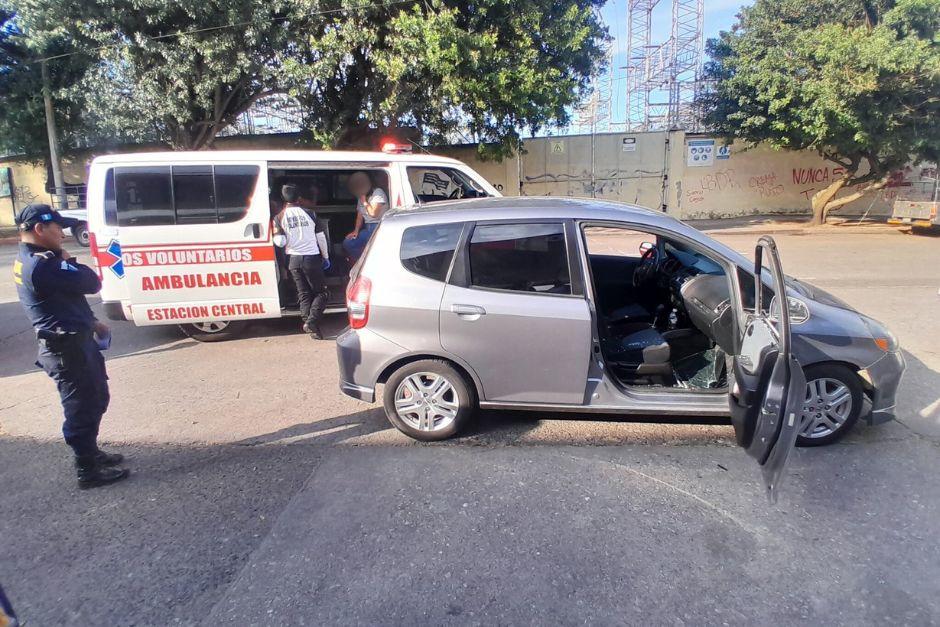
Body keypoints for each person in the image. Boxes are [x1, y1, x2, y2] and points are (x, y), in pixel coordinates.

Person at [12, 203, 128, 489]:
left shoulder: (37, 260)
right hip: (66, 348)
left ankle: (91, 452)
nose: (63, 235)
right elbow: (91, 282)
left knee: (96, 397)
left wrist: (92, 321)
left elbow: (68, 298)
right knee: (81, 406)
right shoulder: (41, 266)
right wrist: (69, 261)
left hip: (75, 340)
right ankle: (86, 469)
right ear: (40, 229)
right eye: (57, 229)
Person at [274, 184, 330, 339]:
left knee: (304, 294)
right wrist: (325, 257)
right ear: (299, 198)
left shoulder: (279, 217)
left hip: (293, 260)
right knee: (322, 293)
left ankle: (311, 328)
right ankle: (312, 321)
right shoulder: (310, 214)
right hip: (311, 258)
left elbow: (279, 241)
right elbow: (321, 238)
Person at [343, 171, 388, 260]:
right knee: (348, 243)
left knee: (374, 249)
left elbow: (373, 214)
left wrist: (364, 202)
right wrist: (356, 231)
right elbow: (359, 216)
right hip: (367, 227)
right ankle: (361, 263)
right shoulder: (361, 195)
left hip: (378, 226)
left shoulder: (378, 192)